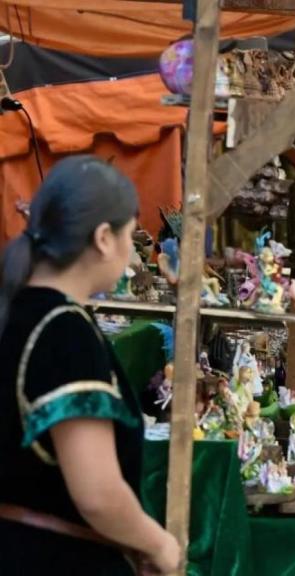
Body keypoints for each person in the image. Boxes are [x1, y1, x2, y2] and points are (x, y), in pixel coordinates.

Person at [0, 156, 181, 574]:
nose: (131, 257)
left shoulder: (16, 313)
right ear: (103, 238)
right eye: (129, 236)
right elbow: (97, 492)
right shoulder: (65, 331)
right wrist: (158, 544)